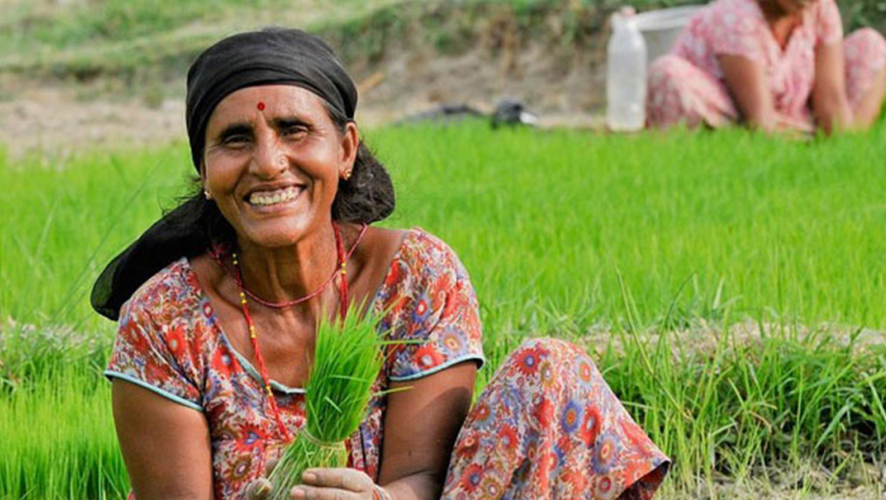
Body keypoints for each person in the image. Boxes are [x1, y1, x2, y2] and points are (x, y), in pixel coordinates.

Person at [92, 28, 669, 500]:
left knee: (552, 367)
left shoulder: (415, 278)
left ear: (344, 150)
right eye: (235, 140)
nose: (268, 163)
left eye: (294, 130)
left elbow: (425, 478)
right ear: (205, 170)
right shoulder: (164, 321)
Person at [646, 0, 886, 134]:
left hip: (796, 115)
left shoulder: (819, 8)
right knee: (667, 72)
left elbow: (831, 100)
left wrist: (843, 148)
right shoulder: (736, 15)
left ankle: (846, 145)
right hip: (732, 117)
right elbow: (759, 119)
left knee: (870, 45)